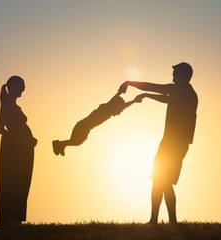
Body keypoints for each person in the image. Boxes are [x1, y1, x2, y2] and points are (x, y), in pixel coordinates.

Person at [119, 62, 198, 224]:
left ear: (183, 75)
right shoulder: (185, 92)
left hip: (175, 143)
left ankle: (169, 221)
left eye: (176, 73)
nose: (173, 76)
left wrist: (129, 83)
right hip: (172, 141)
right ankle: (157, 220)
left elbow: (155, 87)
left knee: (164, 180)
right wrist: (147, 96)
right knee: (159, 179)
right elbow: (166, 98)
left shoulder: (181, 90)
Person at [0, 76, 37, 225]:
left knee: (21, 182)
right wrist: (21, 142)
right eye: (22, 85)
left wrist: (28, 141)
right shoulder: (7, 104)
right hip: (13, 150)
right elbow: (0, 129)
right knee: (10, 182)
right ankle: (8, 219)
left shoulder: (13, 104)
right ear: (14, 86)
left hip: (23, 150)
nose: (24, 89)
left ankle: (16, 219)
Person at [52, 92, 141, 156]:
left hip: (84, 127)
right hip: (83, 126)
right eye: (119, 111)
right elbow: (115, 101)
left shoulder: (109, 110)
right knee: (77, 141)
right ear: (115, 107)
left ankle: (61, 144)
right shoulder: (106, 109)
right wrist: (119, 93)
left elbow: (123, 106)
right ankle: (58, 144)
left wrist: (133, 101)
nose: (119, 113)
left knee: (77, 142)